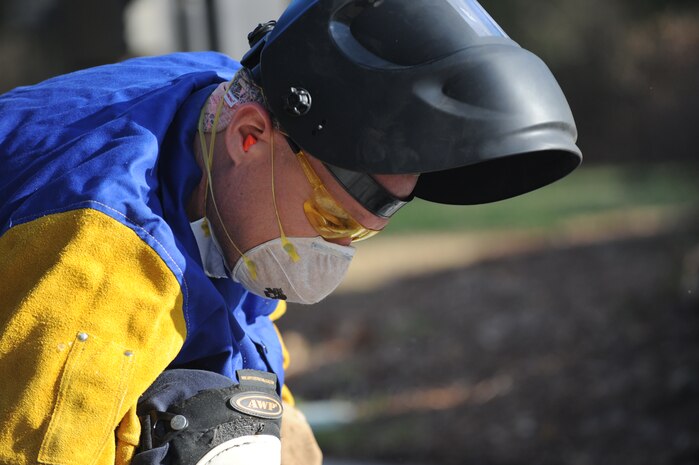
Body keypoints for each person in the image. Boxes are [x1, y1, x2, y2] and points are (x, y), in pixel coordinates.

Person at [0, 0, 581, 464]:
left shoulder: (221, 106)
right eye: (331, 219)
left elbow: (240, 342)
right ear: (249, 136)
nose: (334, 251)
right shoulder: (98, 262)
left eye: (359, 232)